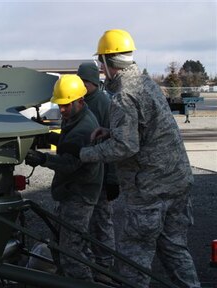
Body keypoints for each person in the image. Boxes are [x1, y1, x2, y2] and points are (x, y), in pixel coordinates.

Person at [78, 29, 200, 287]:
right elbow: (148, 129)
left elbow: (125, 147)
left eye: (101, 62)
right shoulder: (146, 84)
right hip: (177, 184)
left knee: (135, 256)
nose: (100, 68)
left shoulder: (123, 95)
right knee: (174, 250)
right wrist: (111, 131)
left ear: (110, 62)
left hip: (150, 192)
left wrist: (86, 154)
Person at [25, 74, 103, 281]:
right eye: (59, 105)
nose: (61, 109)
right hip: (72, 192)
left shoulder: (84, 127)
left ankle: (83, 283)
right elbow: (69, 145)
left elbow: (71, 163)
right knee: (63, 246)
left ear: (80, 101)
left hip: (79, 195)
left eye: (66, 105)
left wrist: (42, 159)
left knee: (71, 254)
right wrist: (49, 135)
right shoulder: (76, 118)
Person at [77, 62, 118, 283]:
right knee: (86, 222)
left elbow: (113, 142)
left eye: (85, 82)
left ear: (93, 82)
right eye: (80, 81)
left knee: (102, 221)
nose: (82, 85)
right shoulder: (82, 103)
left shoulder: (103, 103)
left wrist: (112, 178)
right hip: (86, 174)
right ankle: (91, 263)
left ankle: (105, 267)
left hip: (102, 174)